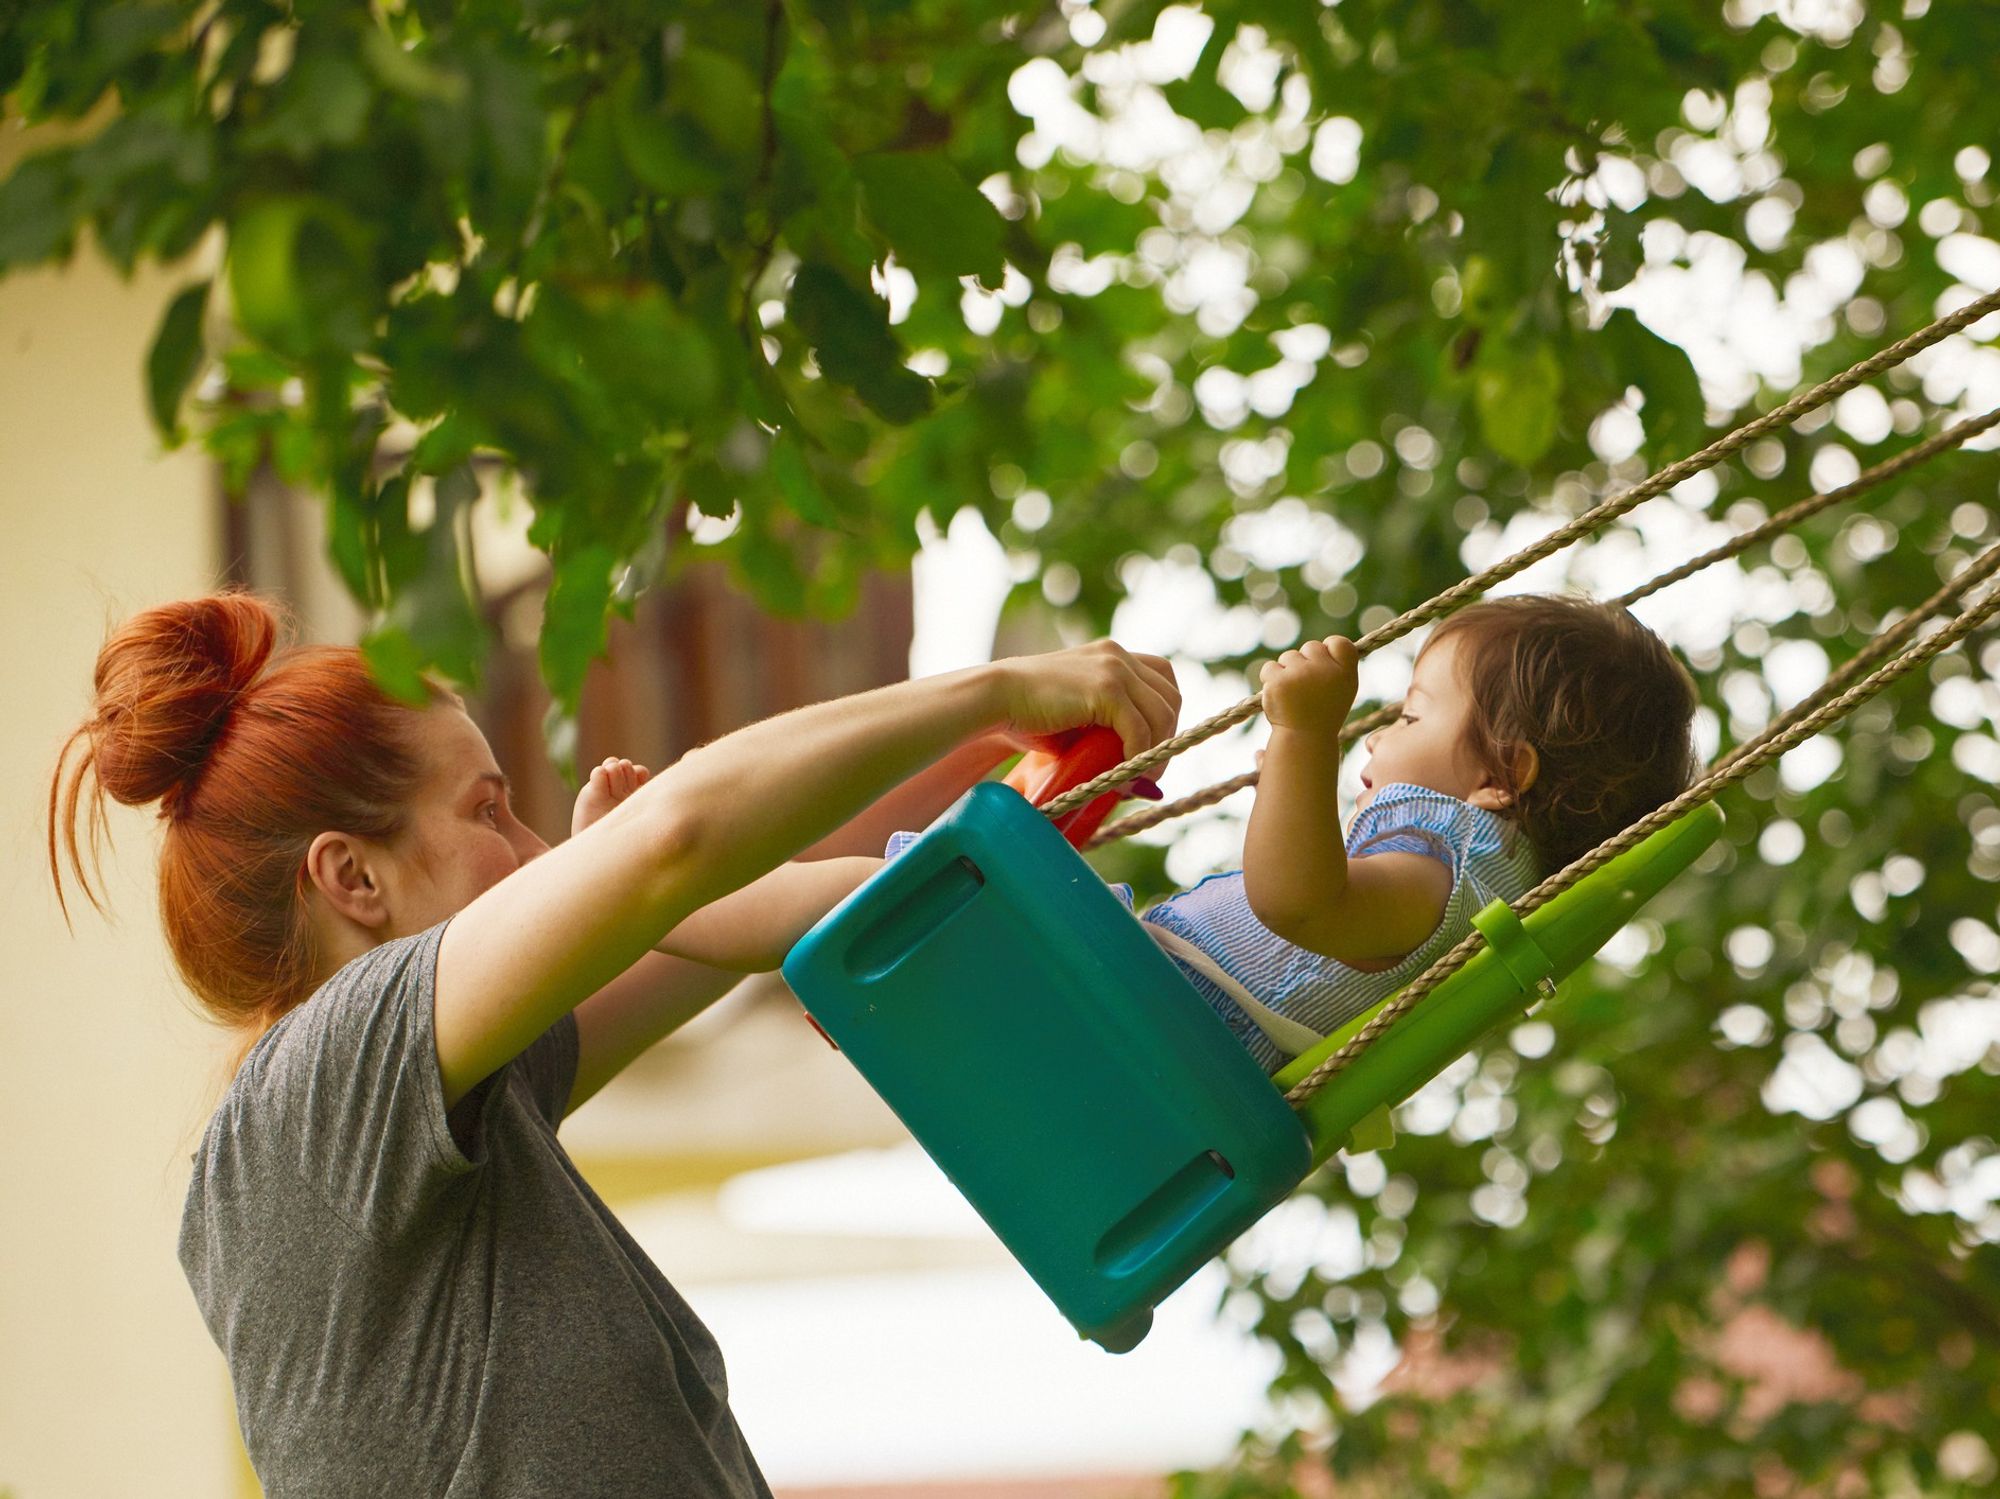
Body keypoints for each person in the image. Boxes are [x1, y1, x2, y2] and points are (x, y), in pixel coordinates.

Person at [47, 589, 1180, 1497]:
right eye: (488, 809)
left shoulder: (446, 1107)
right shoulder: (318, 1091)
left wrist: (1009, 816)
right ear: (352, 876)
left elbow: (735, 916)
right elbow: (679, 837)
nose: (534, 847)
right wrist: (997, 691)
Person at [1136, 593, 1701, 1070]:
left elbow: (1300, 903)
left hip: (1163, 1018)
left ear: (1501, 774)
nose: (1378, 737)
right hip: (1173, 1020)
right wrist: (1289, 789)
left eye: (1410, 717)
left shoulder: (1452, 860)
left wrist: (1306, 735)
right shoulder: (1471, 879)